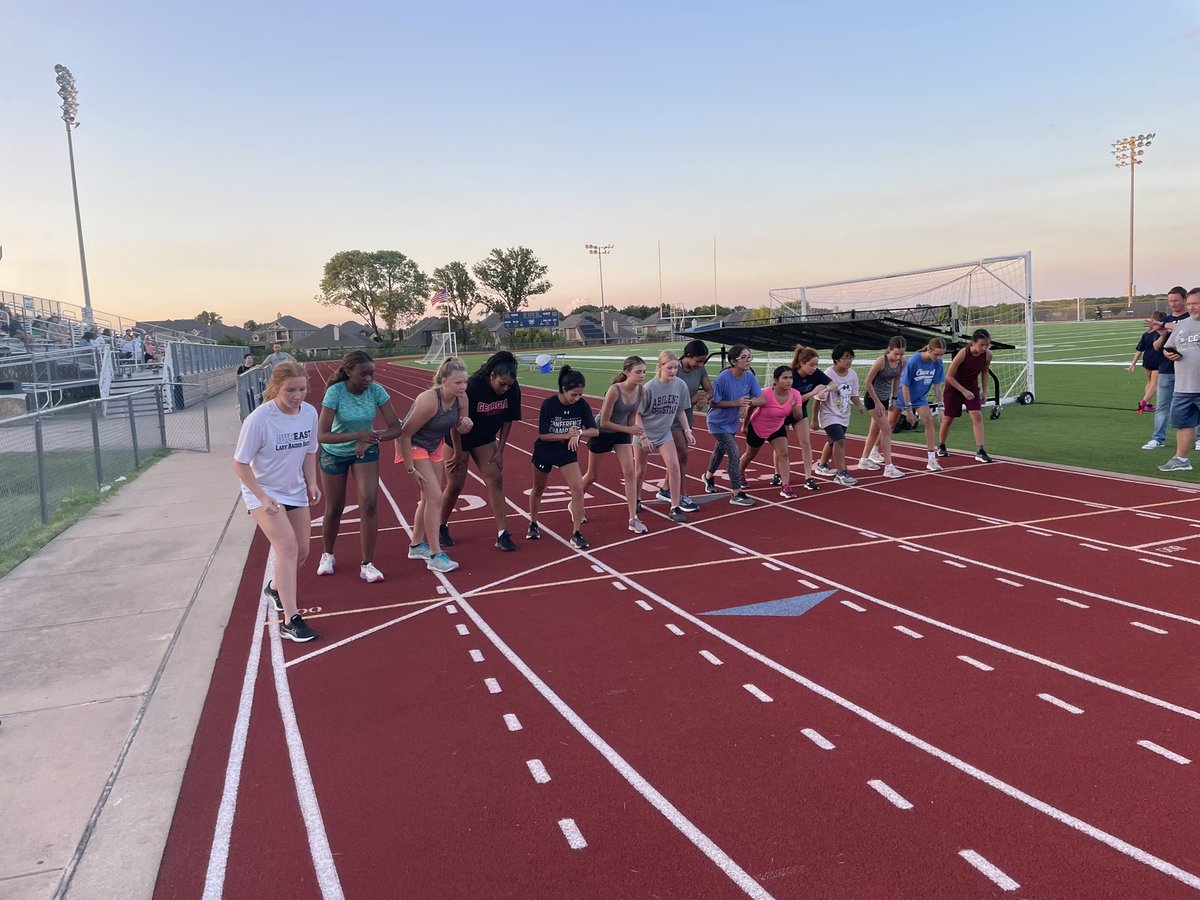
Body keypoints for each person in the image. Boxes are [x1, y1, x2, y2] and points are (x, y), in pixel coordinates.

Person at [231, 362, 321, 643]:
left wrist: (312, 482)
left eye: (302, 389)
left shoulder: (309, 413)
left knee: (303, 551)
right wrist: (261, 495)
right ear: (275, 388)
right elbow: (240, 464)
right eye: (290, 390)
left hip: (293, 489)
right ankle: (291, 620)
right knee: (287, 548)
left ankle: (274, 589)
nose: (297, 396)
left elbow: (310, 451)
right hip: (263, 491)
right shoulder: (259, 420)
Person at [317, 350, 404, 583]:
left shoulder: (377, 391)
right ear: (348, 372)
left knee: (369, 502)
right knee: (335, 507)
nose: (369, 379)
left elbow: (396, 428)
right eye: (363, 375)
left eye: (372, 374)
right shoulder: (335, 392)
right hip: (334, 453)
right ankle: (328, 554)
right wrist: (359, 435)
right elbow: (322, 435)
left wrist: (370, 439)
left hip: (365, 450)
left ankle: (367, 564)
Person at [439, 351, 523, 552]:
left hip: (485, 437)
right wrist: (458, 453)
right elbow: (455, 422)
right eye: (502, 384)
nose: (505, 388)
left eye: (509, 385)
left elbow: (507, 419)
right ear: (492, 375)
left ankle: (503, 533)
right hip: (459, 436)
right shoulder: (472, 387)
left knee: (495, 479)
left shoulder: (512, 389)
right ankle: (441, 525)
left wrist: (500, 450)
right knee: (455, 485)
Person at [397, 357, 473, 573]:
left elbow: (460, 427)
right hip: (413, 445)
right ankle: (435, 554)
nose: (463, 387)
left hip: (434, 446)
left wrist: (467, 424)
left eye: (465, 382)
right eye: (458, 383)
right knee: (435, 497)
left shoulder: (462, 399)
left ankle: (415, 545)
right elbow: (405, 434)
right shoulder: (429, 401)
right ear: (443, 381)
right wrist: (410, 467)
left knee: (429, 497)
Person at [528, 366, 599, 547]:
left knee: (576, 489)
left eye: (580, 394)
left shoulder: (582, 405)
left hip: (566, 453)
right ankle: (533, 523)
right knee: (539, 488)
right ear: (563, 389)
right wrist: (567, 435)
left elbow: (594, 431)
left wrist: (579, 434)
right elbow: (543, 434)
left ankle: (576, 533)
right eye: (573, 394)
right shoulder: (549, 404)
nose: (577, 398)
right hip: (545, 451)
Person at [582, 356, 649, 533]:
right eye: (638, 372)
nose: (642, 375)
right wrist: (629, 430)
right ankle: (576, 500)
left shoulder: (641, 391)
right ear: (627, 373)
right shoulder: (614, 391)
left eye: (644, 372)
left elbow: (632, 415)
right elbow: (604, 422)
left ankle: (633, 518)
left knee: (629, 472)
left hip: (620, 433)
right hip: (601, 432)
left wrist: (634, 431)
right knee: (592, 475)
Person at [638, 351, 696, 524]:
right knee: (640, 470)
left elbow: (680, 409)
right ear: (660, 367)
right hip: (645, 432)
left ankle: (674, 506)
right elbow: (637, 414)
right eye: (669, 367)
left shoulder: (680, 385)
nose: (673, 371)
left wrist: (687, 430)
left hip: (664, 432)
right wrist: (643, 437)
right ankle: (637, 499)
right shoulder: (648, 388)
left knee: (674, 466)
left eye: (675, 368)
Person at [652, 340, 711, 512]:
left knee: (677, 458)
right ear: (688, 356)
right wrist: (692, 400)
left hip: (686, 418)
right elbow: (672, 396)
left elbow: (709, 389)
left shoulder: (699, 369)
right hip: (670, 419)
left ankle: (665, 489)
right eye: (698, 360)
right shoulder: (672, 369)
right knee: (682, 455)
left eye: (703, 361)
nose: (700, 364)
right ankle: (682, 495)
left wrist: (704, 398)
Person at [701, 343, 762, 506]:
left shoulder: (749, 376)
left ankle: (708, 476)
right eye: (744, 357)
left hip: (731, 423)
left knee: (720, 450)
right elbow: (713, 403)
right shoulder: (723, 378)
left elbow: (761, 399)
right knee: (734, 451)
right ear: (734, 361)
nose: (748, 360)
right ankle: (736, 492)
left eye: (749, 357)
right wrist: (736, 403)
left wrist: (747, 403)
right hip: (716, 422)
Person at [739, 366, 803, 497]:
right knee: (750, 454)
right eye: (785, 378)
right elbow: (751, 407)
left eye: (790, 378)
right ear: (776, 380)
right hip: (758, 426)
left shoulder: (795, 394)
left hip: (777, 426)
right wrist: (745, 425)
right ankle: (739, 474)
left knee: (784, 453)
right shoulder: (765, 393)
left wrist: (795, 406)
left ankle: (785, 486)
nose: (788, 381)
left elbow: (798, 417)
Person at [811, 344, 867, 486]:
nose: (849, 360)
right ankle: (842, 473)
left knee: (832, 441)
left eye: (851, 357)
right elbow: (818, 399)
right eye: (846, 357)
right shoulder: (828, 374)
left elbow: (854, 394)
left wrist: (859, 405)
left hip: (843, 414)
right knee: (840, 441)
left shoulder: (852, 374)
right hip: (828, 414)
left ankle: (822, 465)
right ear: (837, 359)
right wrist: (814, 420)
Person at [1158, 287, 1200, 473]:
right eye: (1189, 303)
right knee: (1184, 424)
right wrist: (1169, 354)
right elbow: (1168, 347)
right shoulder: (1182, 325)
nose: (1191, 307)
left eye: (1196, 303)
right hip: (1184, 387)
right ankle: (1182, 459)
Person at [937, 329, 995, 463]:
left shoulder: (987, 355)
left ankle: (980, 450)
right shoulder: (963, 353)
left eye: (987, 345)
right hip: (954, 387)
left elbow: (985, 372)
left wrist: (984, 392)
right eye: (982, 345)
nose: (985, 347)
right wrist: (963, 391)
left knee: (977, 415)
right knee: (948, 418)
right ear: (973, 343)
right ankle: (941, 445)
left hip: (972, 387)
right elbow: (949, 377)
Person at [1143, 287, 1188, 450]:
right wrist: (1162, 334)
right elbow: (1156, 347)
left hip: (1188, 371)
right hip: (1166, 369)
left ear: (1184, 299)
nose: (1173, 304)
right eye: (1170, 301)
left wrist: (1163, 325)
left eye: (1176, 300)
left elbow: (1184, 328)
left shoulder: (1191, 319)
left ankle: (1198, 438)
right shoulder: (1166, 320)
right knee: (1162, 406)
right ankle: (1158, 438)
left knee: (1194, 405)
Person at [858, 336, 906, 477]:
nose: (898, 357)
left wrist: (895, 398)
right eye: (895, 354)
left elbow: (897, 379)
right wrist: (877, 402)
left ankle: (864, 460)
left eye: (901, 354)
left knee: (874, 430)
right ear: (889, 350)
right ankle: (889, 467)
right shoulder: (881, 361)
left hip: (885, 399)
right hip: (872, 399)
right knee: (886, 430)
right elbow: (867, 382)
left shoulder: (902, 362)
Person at [898, 337, 947, 472]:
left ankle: (931, 459)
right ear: (929, 350)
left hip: (919, 396)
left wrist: (941, 407)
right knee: (888, 425)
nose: (938, 357)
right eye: (936, 354)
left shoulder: (938, 363)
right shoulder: (914, 360)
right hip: (903, 395)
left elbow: (937, 387)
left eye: (941, 354)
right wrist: (908, 410)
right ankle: (874, 449)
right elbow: (905, 385)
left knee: (928, 420)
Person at [788, 346, 831, 492]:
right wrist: (814, 392)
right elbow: (795, 399)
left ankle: (808, 477)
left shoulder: (815, 374)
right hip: (784, 411)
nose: (814, 368)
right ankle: (777, 473)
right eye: (811, 365)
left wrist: (824, 390)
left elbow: (832, 383)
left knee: (806, 443)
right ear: (802, 364)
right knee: (781, 446)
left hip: (801, 411)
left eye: (816, 365)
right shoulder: (791, 376)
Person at [1129, 312, 1166, 413]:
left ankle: (1148, 404)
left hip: (1147, 360)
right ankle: (1144, 402)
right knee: (1155, 383)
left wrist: (1133, 364)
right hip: (1158, 360)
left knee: (1149, 382)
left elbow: (1139, 350)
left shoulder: (1146, 334)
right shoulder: (1163, 333)